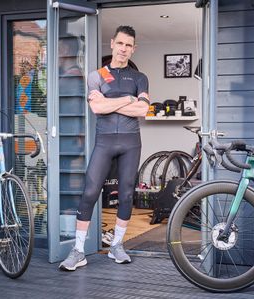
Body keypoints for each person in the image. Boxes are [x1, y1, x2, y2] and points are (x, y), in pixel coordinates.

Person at [59, 25, 150, 271]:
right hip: (105, 141)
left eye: (128, 45)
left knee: (127, 195)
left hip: (131, 143)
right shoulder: (96, 75)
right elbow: (97, 109)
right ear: (112, 43)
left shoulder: (140, 78)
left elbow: (143, 110)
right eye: (120, 43)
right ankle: (78, 251)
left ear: (133, 48)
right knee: (89, 193)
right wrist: (128, 99)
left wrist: (110, 102)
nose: (123, 49)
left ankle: (117, 246)